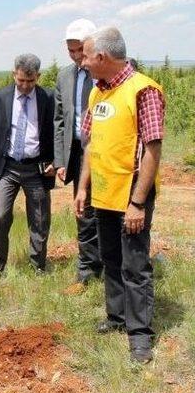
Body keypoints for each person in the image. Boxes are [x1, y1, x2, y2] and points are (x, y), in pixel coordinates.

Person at [75, 26, 165, 364]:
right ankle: (116, 317)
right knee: (110, 259)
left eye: (85, 55)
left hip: (130, 195)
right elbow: (91, 144)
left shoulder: (144, 90)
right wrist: (83, 187)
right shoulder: (97, 92)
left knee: (135, 265)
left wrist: (137, 203)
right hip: (103, 194)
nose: (82, 62)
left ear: (102, 56)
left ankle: (140, 335)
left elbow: (152, 150)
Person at [0, 53, 55, 274]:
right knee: (0, 216)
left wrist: (54, 162)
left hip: (36, 169)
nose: (25, 85)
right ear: (14, 74)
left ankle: (37, 265)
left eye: (30, 81)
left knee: (40, 220)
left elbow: (54, 133)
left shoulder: (47, 98)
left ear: (38, 76)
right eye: (21, 80)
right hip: (7, 168)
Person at [54, 19, 103, 294]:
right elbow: (59, 119)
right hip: (76, 152)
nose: (75, 56)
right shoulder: (64, 76)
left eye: (79, 50)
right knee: (83, 210)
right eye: (70, 51)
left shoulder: (105, 70)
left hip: (105, 152)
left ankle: (111, 264)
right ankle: (87, 268)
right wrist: (60, 160)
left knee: (107, 211)